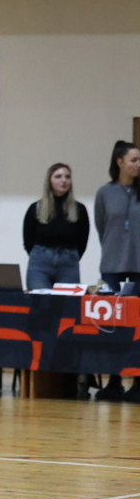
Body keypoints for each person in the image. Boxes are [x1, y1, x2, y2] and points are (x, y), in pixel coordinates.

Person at [93, 141, 140, 400]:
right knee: (113, 325)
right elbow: (102, 228)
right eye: (134, 160)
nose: (138, 165)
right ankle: (113, 381)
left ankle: (138, 382)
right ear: (120, 163)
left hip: (139, 267)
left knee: (137, 326)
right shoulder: (104, 193)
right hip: (112, 267)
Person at [22, 163, 88, 290]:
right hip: (40, 264)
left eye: (67, 177)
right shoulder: (36, 208)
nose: (64, 180)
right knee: (39, 300)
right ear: (49, 181)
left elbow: (82, 240)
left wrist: (70, 256)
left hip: (68, 264)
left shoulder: (79, 209)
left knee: (67, 301)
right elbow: (28, 240)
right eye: (58, 176)